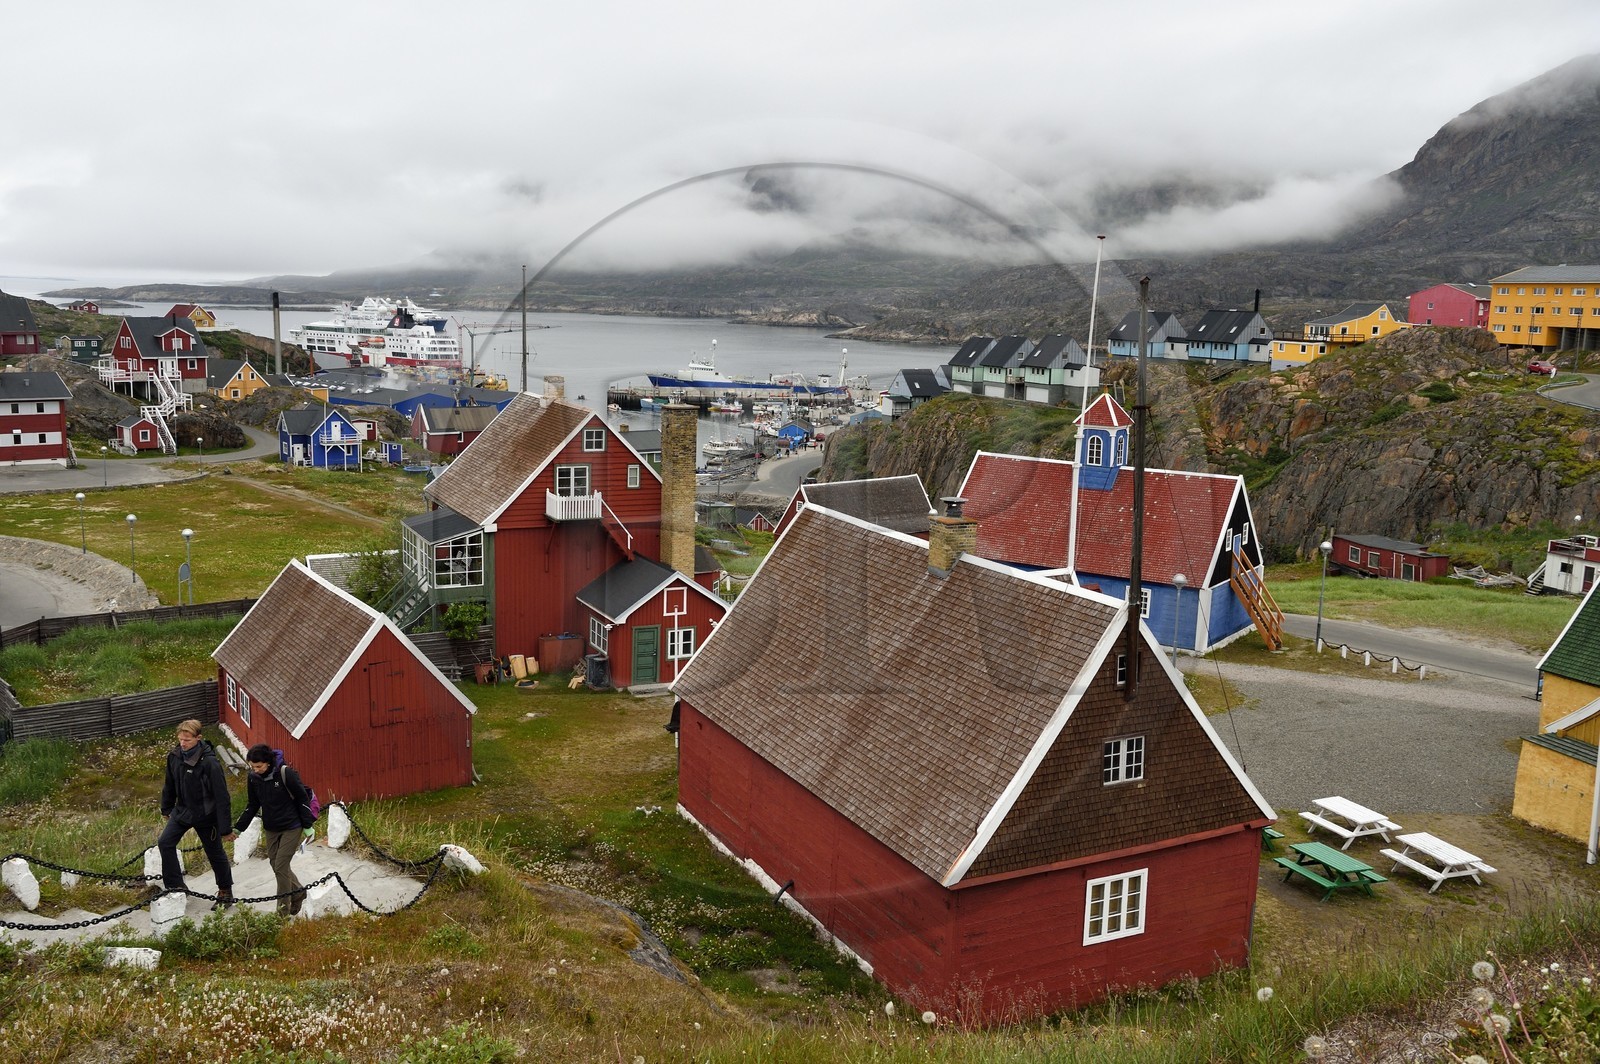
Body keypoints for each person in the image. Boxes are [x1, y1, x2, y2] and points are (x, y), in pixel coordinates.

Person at [157, 719, 235, 908]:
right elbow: (169, 784)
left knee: (214, 853)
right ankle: (176, 887)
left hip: (206, 816)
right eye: (181, 739)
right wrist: (166, 808)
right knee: (165, 843)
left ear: (198, 738)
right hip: (182, 811)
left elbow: (222, 797)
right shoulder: (174, 756)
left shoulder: (210, 763)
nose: (183, 744)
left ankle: (225, 892)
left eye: (187, 740)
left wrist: (225, 829)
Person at [234, 743, 315, 916]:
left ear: (268, 762)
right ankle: (299, 891)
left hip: (292, 826)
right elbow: (253, 804)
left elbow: (302, 798)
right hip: (271, 827)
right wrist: (238, 829)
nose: (255, 770)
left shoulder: (286, 773)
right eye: (252, 766)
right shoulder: (253, 778)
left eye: (259, 766)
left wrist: (308, 826)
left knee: (280, 865)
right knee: (274, 863)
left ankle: (282, 914)